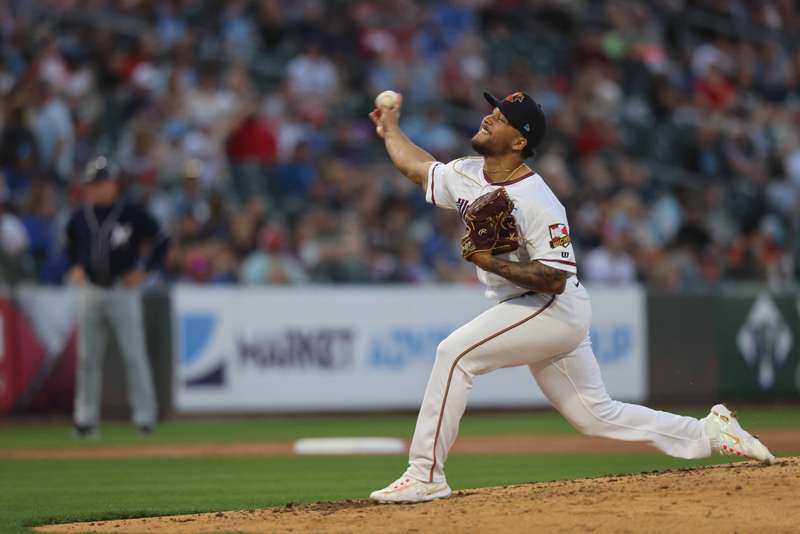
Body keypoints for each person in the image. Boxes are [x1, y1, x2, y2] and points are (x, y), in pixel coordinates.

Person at [367, 92, 776, 503]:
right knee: (594, 414)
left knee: (454, 354)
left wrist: (491, 264)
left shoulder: (538, 199)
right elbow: (418, 167)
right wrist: (391, 128)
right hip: (528, 305)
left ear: (519, 141)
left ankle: (425, 474)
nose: (489, 119)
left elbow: (555, 278)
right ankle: (710, 432)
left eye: (501, 118)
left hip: (550, 306)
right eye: (492, 112)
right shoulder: (467, 172)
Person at [65, 156, 169, 437]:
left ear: (113, 184)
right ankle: (85, 420)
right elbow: (70, 244)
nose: (95, 188)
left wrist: (145, 270)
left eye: (100, 182)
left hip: (122, 289)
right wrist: (74, 266)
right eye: (91, 183)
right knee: (87, 358)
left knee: (134, 355)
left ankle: (145, 418)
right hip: (91, 289)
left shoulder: (130, 213)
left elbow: (162, 239)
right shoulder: (80, 216)